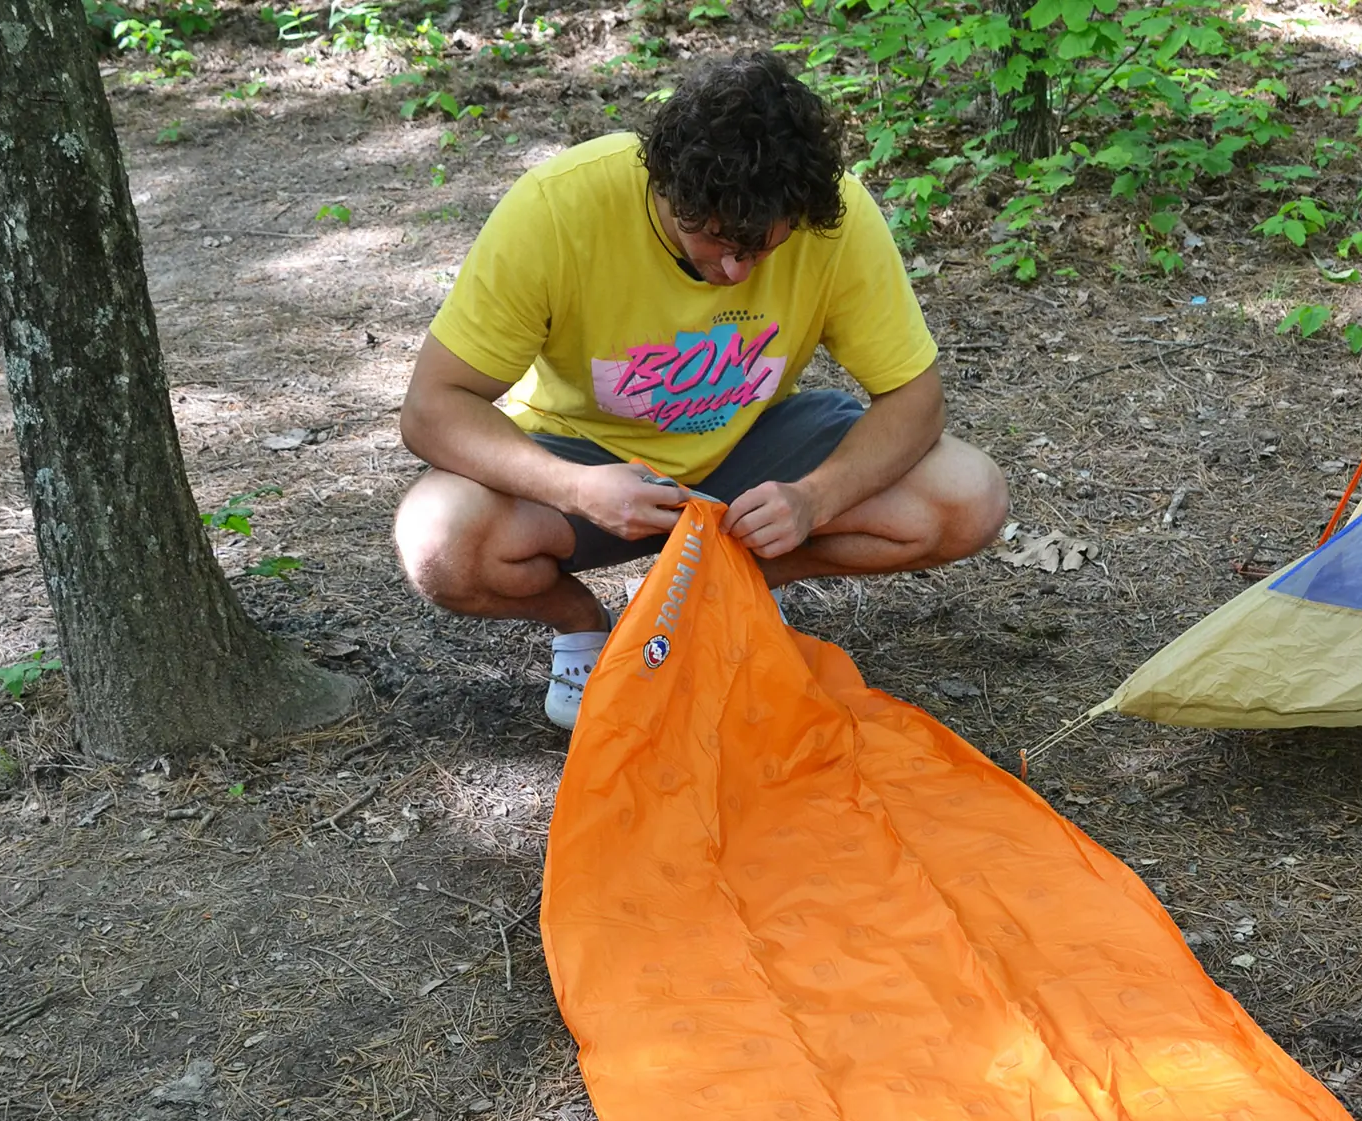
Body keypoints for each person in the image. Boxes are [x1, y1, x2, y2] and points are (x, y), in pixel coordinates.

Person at [393, 51, 1008, 730]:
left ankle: (714, 593)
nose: (736, 270)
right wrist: (575, 487)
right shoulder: (559, 208)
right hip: (583, 456)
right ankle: (586, 629)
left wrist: (813, 499)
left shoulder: (832, 216)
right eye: (711, 240)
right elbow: (432, 408)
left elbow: (915, 399)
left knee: (967, 497)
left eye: (762, 248)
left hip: (754, 449)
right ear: (664, 185)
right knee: (439, 539)